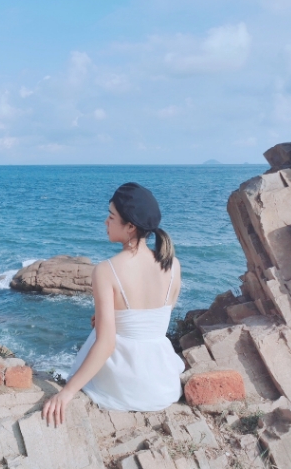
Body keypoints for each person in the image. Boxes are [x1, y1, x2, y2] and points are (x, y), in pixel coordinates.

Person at [42, 182, 184, 426]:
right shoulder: (173, 265)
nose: (105, 222)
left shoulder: (106, 270)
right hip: (162, 381)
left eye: (111, 217)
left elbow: (106, 344)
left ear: (130, 227)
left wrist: (67, 392)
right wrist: (117, 321)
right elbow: (154, 319)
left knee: (96, 339)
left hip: (126, 385)